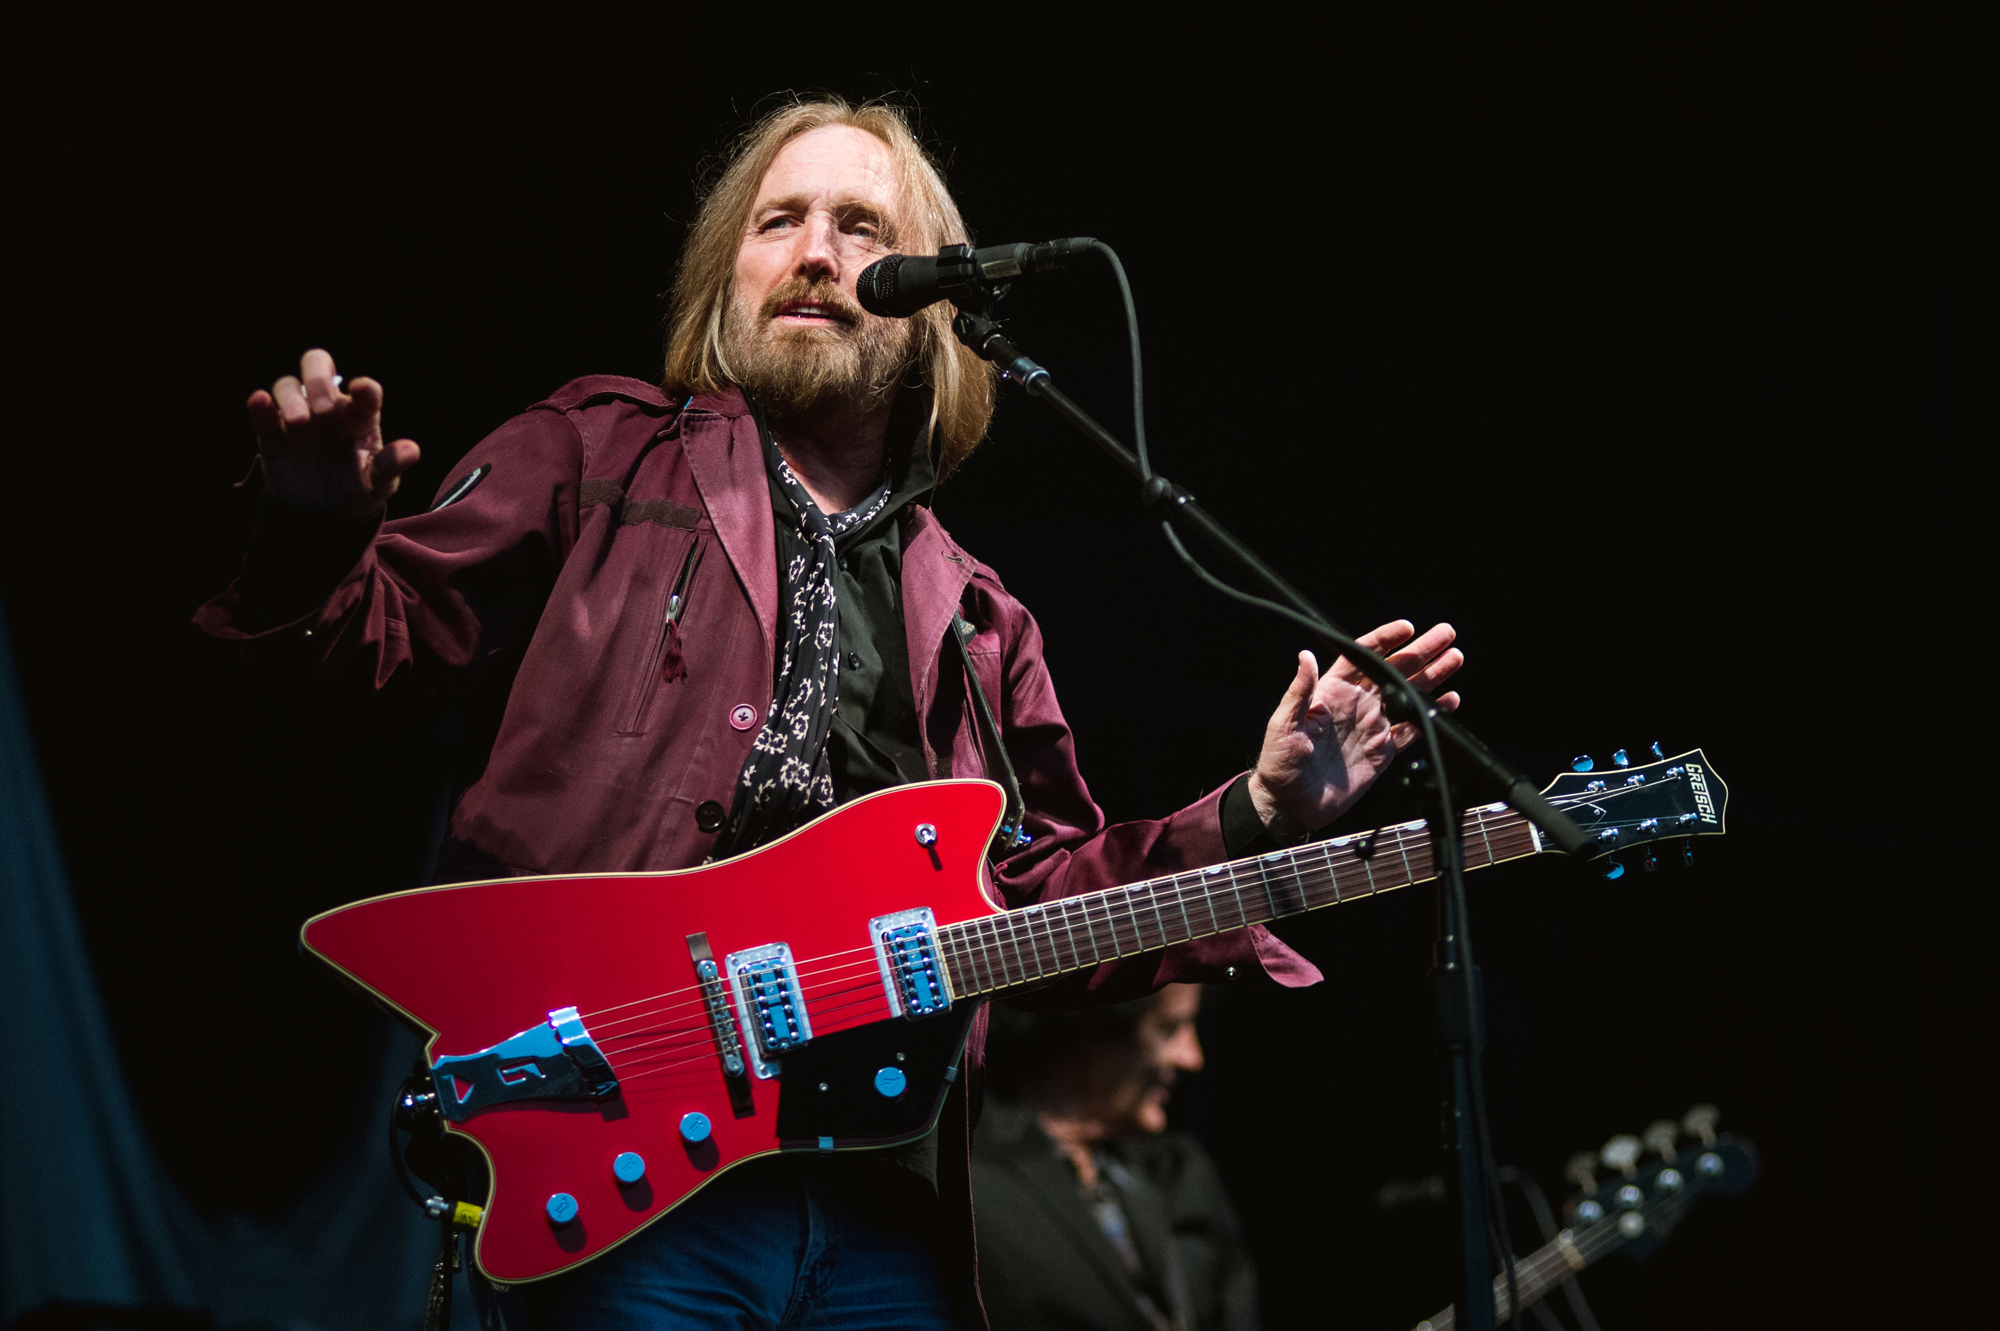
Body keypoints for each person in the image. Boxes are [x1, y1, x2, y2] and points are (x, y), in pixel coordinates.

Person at [195, 98, 1463, 1330]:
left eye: (859, 227)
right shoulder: (598, 454)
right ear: (725, 275)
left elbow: (1041, 910)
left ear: (933, 305)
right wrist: (311, 531)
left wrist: (1255, 812)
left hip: (881, 1207)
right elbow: (349, 667)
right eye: (776, 222)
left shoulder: (979, 617)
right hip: (630, 1157)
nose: (812, 253)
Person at [975, 986, 1258, 1331]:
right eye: (1169, 1029)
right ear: (1089, 1034)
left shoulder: (1178, 1170)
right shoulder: (974, 1184)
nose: (1191, 1057)